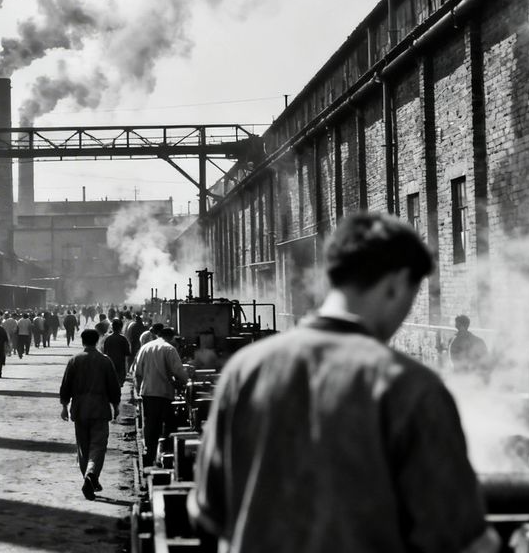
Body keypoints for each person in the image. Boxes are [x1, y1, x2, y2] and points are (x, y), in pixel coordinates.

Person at [189, 213, 499, 553]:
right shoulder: (411, 388)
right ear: (396, 283)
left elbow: (209, 512)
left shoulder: (244, 371)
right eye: (412, 296)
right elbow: (460, 538)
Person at [60, 329, 121, 500]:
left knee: (83, 447)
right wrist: (115, 405)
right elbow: (113, 386)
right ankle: (91, 474)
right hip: (100, 409)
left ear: (82, 341)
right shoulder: (105, 360)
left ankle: (89, 478)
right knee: (98, 446)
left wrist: (64, 406)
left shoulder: (74, 360)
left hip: (80, 409)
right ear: (98, 341)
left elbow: (65, 385)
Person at [134, 325, 188, 466]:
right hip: (164, 393)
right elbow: (178, 371)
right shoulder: (169, 349)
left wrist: (138, 390)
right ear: (171, 337)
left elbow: (137, 372)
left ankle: (149, 455)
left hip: (147, 392)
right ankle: (165, 453)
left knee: (151, 424)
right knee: (167, 426)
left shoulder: (145, 348)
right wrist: (188, 383)